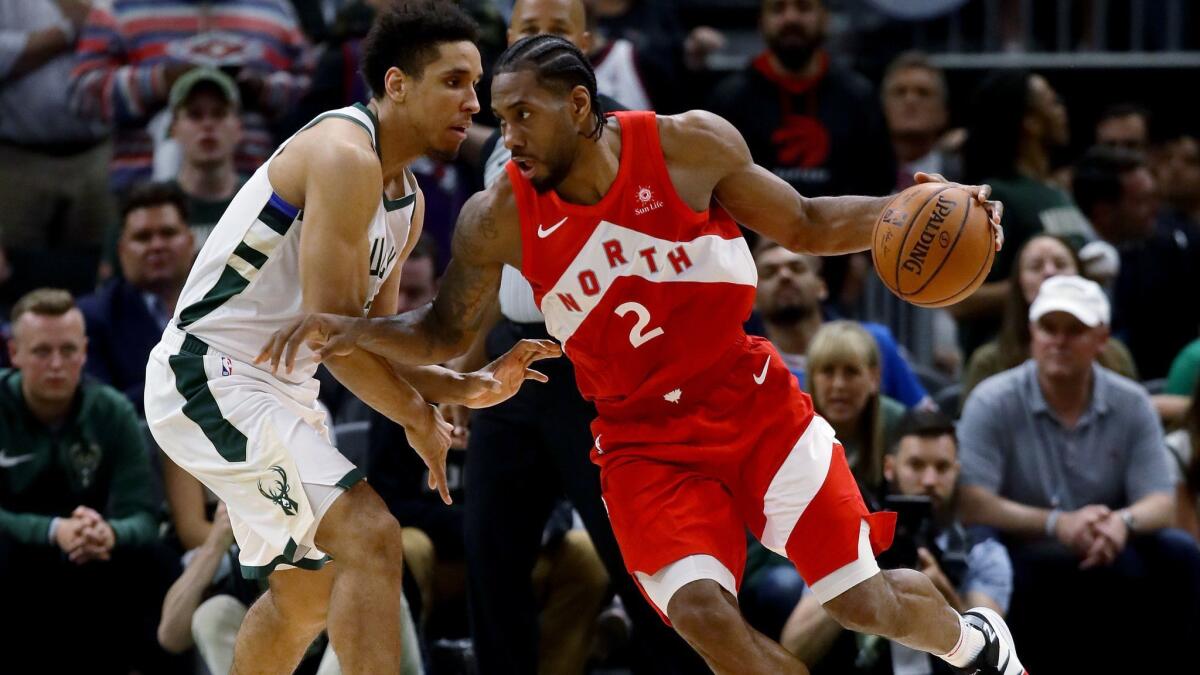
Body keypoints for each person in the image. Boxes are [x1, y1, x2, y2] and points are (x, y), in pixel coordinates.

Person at [263, 34, 1026, 675]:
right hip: (642, 445)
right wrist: (353, 327)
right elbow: (442, 334)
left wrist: (913, 208)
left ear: (581, 106)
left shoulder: (688, 146)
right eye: (499, 118)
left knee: (862, 601)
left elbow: (807, 223)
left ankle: (976, 644)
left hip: (753, 404)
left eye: (523, 114)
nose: (509, 138)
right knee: (703, 616)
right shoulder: (497, 219)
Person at [142, 4, 558, 673]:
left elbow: (374, 336)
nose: (474, 102)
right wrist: (417, 413)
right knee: (372, 533)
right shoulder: (343, 155)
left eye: (476, 84)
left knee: (306, 597)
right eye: (454, 81)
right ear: (397, 85)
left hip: (279, 385)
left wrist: (456, 385)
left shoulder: (410, 200)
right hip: (210, 375)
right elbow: (336, 335)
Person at [456, 1, 708, 672]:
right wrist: (462, 372)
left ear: (587, 44)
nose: (539, 42)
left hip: (602, 362)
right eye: (527, 30)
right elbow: (487, 266)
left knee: (638, 562)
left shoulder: (627, 129)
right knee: (490, 554)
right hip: (514, 354)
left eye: (556, 32)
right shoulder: (495, 136)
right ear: (505, 40)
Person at [957, 274, 1198, 672]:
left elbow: (1161, 502)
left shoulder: (1132, 402)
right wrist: (1056, 524)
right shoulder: (992, 399)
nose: (1059, 341)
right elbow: (971, 500)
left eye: (1075, 330)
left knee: (1181, 554)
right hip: (1023, 552)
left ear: (1102, 339)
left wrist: (1121, 523)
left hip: (1106, 552)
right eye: (1049, 328)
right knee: (987, 558)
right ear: (1032, 333)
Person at [0, 288, 178, 672]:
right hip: (16, 552)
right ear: (13, 353)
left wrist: (110, 533)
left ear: (85, 352)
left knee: (158, 561)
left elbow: (144, 518)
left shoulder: (111, 411)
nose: (56, 365)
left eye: (67, 350)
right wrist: (51, 530)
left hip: (87, 551)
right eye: (41, 351)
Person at [782, 409, 1013, 675]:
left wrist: (941, 594)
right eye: (916, 465)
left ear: (957, 471)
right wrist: (855, 581)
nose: (929, 481)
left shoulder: (981, 548)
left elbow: (996, 660)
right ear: (889, 468)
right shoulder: (854, 541)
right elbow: (793, 648)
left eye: (942, 468)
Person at [707, 0, 894, 314]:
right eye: (778, 9)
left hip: (839, 273)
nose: (791, 18)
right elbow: (710, 188)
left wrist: (863, 259)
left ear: (824, 17)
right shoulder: (729, 99)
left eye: (804, 8)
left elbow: (878, 180)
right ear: (761, 22)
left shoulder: (858, 96)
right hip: (744, 275)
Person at [740, 320, 906, 642]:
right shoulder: (784, 428)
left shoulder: (898, 424)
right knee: (786, 588)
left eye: (851, 372)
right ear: (811, 379)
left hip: (877, 556)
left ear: (874, 377)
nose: (839, 385)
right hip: (790, 560)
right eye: (828, 372)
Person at [69, 0, 312, 192]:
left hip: (255, 190)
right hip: (144, 196)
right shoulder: (120, 8)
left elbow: (311, 95)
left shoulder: (275, 9)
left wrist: (260, 89)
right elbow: (82, 94)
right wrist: (161, 80)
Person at [953, 70, 1093, 356]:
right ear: (1030, 122)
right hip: (1007, 359)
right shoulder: (995, 196)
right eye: (1053, 103)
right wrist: (1048, 285)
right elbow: (960, 301)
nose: (1062, 111)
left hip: (1064, 356)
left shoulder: (1055, 190)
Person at [0, 0, 115, 301]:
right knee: (16, 272)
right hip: (19, 158)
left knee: (98, 272)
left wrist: (93, 27)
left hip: (97, 154)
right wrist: (67, 32)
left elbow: (125, 41)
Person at [961, 234, 1136, 405]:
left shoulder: (1115, 356)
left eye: (1061, 264)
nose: (1049, 272)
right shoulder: (988, 362)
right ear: (1019, 282)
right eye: (1035, 266)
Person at [753, 242, 929, 408]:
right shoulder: (749, 366)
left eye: (797, 268)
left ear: (822, 287)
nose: (784, 276)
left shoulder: (875, 341)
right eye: (769, 272)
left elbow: (927, 421)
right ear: (753, 297)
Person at [79, 182, 195, 413]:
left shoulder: (228, 304)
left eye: (168, 233)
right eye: (143, 237)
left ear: (191, 241)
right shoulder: (93, 317)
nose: (157, 245)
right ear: (121, 250)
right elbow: (102, 408)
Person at [167, 68, 246, 251]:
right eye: (195, 114)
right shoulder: (151, 209)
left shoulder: (264, 204)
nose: (208, 124)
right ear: (174, 129)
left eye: (219, 113)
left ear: (238, 127)